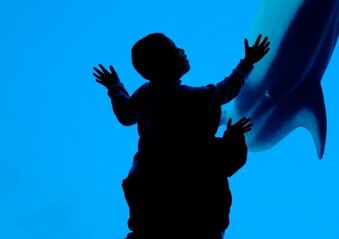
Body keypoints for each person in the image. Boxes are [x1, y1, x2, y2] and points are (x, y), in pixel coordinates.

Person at [93, 33, 270, 238]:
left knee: (147, 231)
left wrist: (114, 86)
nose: (183, 51)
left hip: (145, 180)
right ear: (163, 63)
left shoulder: (145, 93)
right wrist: (248, 62)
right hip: (190, 189)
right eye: (176, 50)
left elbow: (125, 115)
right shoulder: (190, 96)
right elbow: (225, 90)